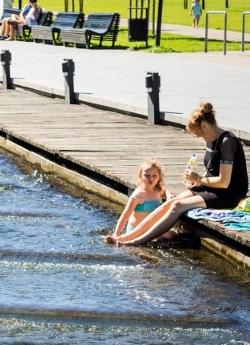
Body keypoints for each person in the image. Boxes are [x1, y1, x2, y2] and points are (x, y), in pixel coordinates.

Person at [106, 102, 248, 246]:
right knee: (169, 203)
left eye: (199, 134)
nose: (201, 138)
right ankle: (125, 237)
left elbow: (224, 181)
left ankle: (137, 241)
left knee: (177, 206)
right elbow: (213, 169)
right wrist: (198, 181)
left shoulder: (227, 141)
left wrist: (199, 179)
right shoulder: (211, 139)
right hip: (212, 188)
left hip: (228, 194)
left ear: (204, 126)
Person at [109, 159, 176, 242]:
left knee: (172, 235)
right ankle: (118, 239)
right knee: (154, 239)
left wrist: (169, 196)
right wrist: (116, 234)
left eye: (154, 175)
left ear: (159, 177)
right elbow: (125, 215)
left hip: (151, 228)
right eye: (147, 175)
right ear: (140, 176)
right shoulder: (138, 195)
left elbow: (165, 190)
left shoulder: (157, 190)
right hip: (136, 230)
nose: (151, 178)